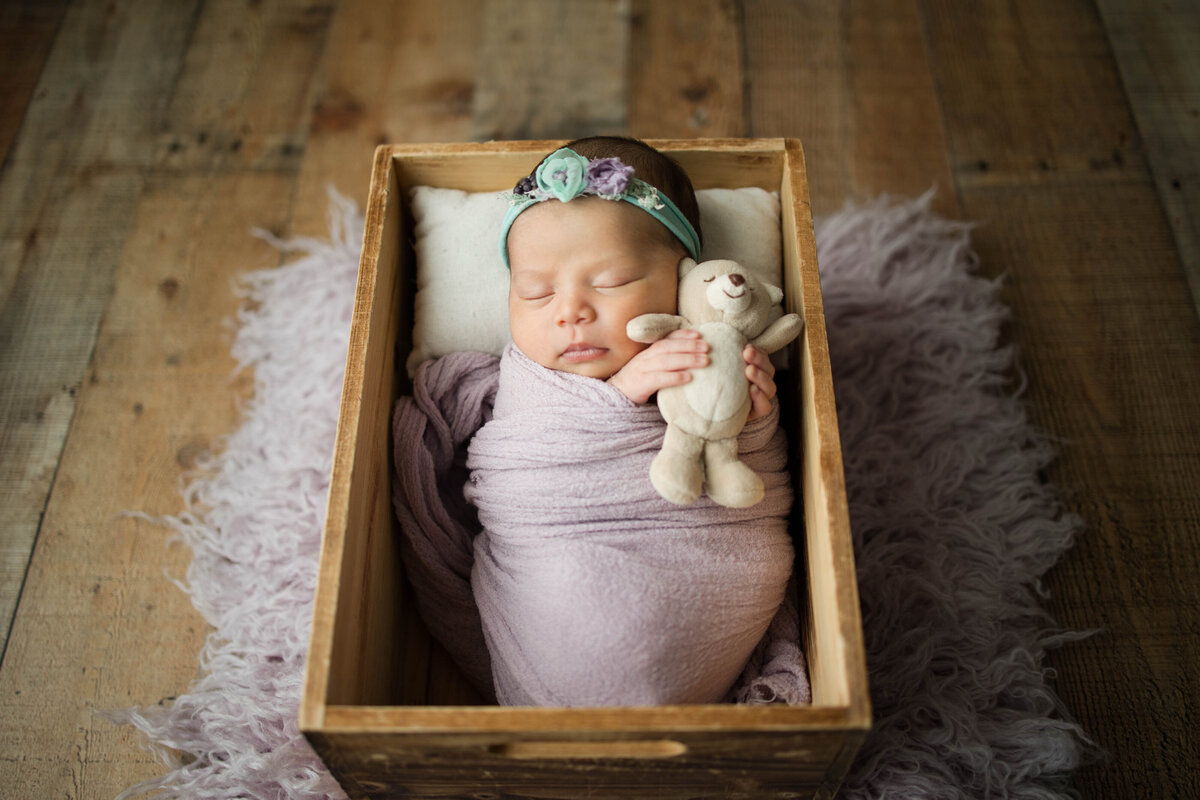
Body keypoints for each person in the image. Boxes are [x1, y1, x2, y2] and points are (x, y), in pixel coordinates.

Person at [500, 136, 780, 419]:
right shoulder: (523, 379)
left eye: (612, 282)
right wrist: (620, 392)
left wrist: (745, 416)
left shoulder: (706, 354)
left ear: (684, 276)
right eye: (536, 292)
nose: (570, 313)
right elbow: (520, 447)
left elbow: (742, 458)